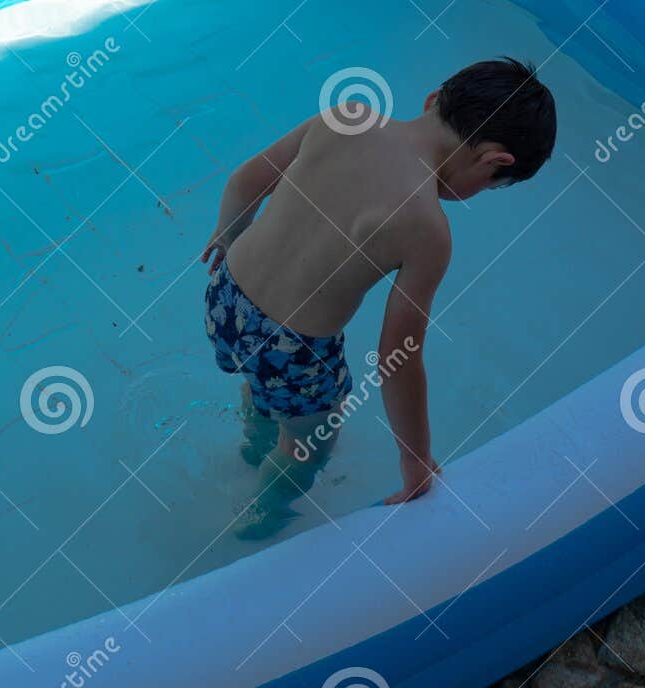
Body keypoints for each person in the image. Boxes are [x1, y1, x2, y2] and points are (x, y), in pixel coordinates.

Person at [201, 59, 557, 538]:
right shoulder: (428, 228)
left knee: (259, 375)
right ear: (495, 161)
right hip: (294, 350)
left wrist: (226, 239)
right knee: (307, 447)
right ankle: (254, 526)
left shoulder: (345, 116)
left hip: (226, 300)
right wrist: (416, 460)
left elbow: (245, 181)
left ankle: (252, 442)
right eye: (490, 186)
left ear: (432, 100)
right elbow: (398, 356)